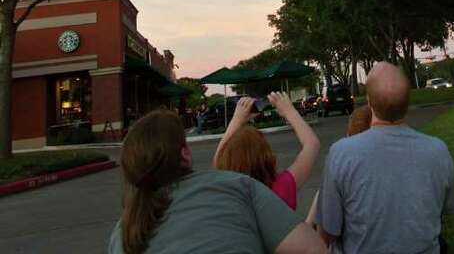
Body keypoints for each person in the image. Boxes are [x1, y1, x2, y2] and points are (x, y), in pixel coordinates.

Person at [108, 108, 324, 254]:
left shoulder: (121, 235)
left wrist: (237, 118)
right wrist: (287, 109)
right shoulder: (235, 187)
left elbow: (219, 158)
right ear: (184, 154)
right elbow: (314, 250)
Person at [316, 62, 454, 254]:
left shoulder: (341, 153)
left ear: (369, 102)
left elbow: (328, 233)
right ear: (407, 104)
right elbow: (444, 210)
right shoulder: (438, 149)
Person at [214, 91, 320, 210]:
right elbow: (312, 144)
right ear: (267, 155)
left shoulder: (225, 196)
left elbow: (219, 157)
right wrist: (289, 111)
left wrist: (237, 119)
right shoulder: (282, 187)